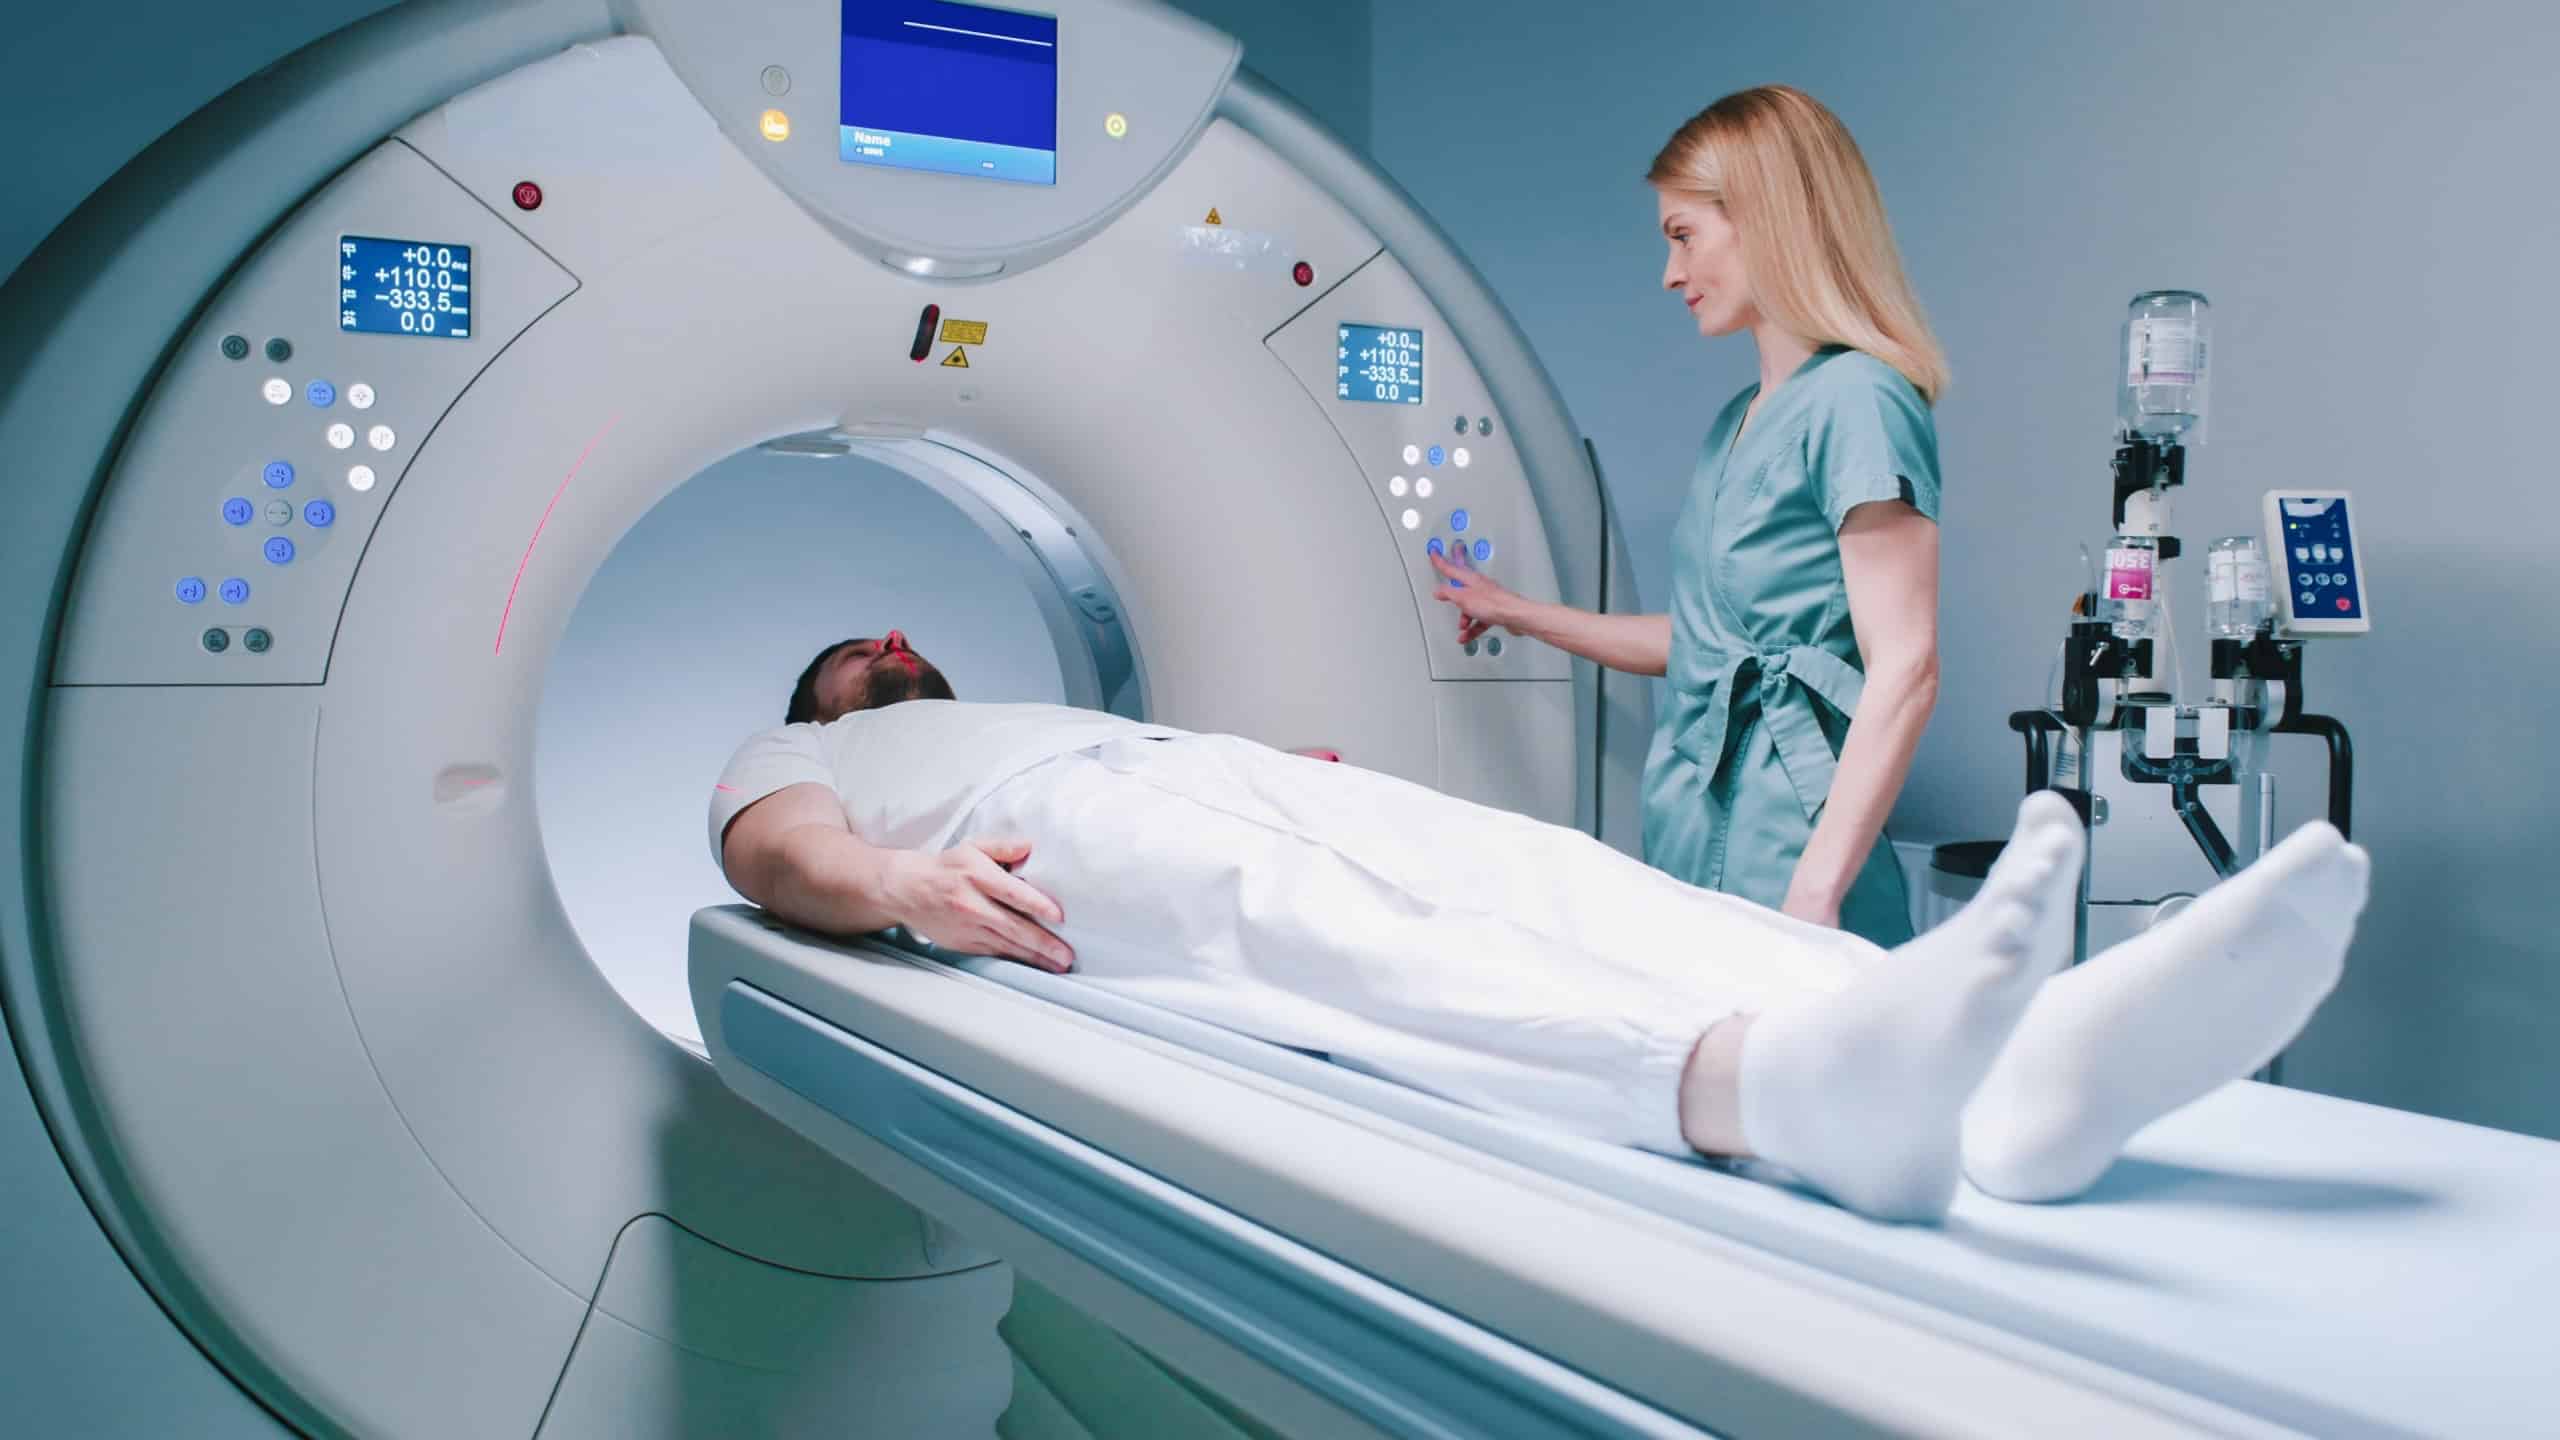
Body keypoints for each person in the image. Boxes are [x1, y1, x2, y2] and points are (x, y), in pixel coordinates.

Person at [710, 633, 2369, 1223]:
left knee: (1565, 880)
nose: (895, 647)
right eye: (862, 648)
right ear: (827, 695)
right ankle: (1764, 1090)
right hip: (1054, 845)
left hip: (1195, 767)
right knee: (1331, 934)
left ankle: (2025, 1071)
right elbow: (781, 857)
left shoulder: (1029, 695)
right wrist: (911, 890)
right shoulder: (813, 752)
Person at [1433, 85, 1947, 945]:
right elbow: (1706, 645)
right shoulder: (1737, 423)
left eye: (1683, 237)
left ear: (1768, 218)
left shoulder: (1859, 399)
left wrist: (1816, 894)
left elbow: (1908, 665)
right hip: (1690, 819)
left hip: (1792, 852)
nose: (1670, 274)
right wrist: (1516, 612)